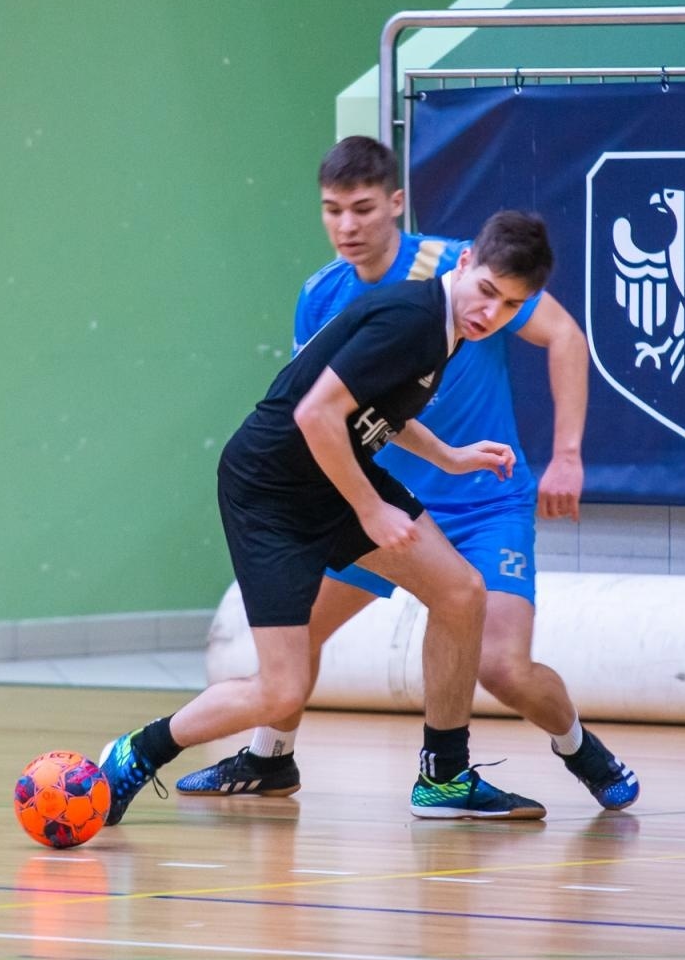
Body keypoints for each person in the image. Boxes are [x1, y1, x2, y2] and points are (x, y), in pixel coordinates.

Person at [175, 137, 638, 812]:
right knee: (294, 638)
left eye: (362, 209)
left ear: (395, 205)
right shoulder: (321, 293)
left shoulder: (469, 273)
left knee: (502, 667)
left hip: (478, 502)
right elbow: (322, 410)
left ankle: (577, 748)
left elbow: (566, 337)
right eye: (332, 211)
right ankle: (271, 759)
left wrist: (567, 455)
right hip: (379, 503)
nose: (347, 227)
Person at [99, 207, 554, 826]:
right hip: (270, 490)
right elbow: (316, 414)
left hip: (334, 473)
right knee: (280, 690)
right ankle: (135, 752)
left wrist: (448, 457)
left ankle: (444, 778)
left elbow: (375, 406)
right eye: (487, 293)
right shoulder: (412, 320)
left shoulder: (445, 324)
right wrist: (369, 510)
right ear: (466, 262)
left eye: (508, 307)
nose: (489, 314)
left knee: (461, 592)